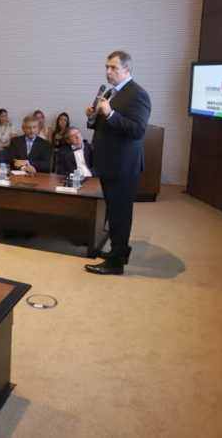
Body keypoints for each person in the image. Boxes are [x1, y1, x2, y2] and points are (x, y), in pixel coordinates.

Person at [84, 50, 151, 276]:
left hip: (124, 166)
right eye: (106, 67)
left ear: (127, 70)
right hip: (109, 163)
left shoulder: (137, 94)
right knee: (113, 210)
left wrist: (110, 114)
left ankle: (116, 262)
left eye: (113, 68)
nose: (108, 71)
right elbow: (107, 127)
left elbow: (138, 130)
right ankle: (115, 251)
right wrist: (93, 118)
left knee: (120, 213)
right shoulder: (113, 93)